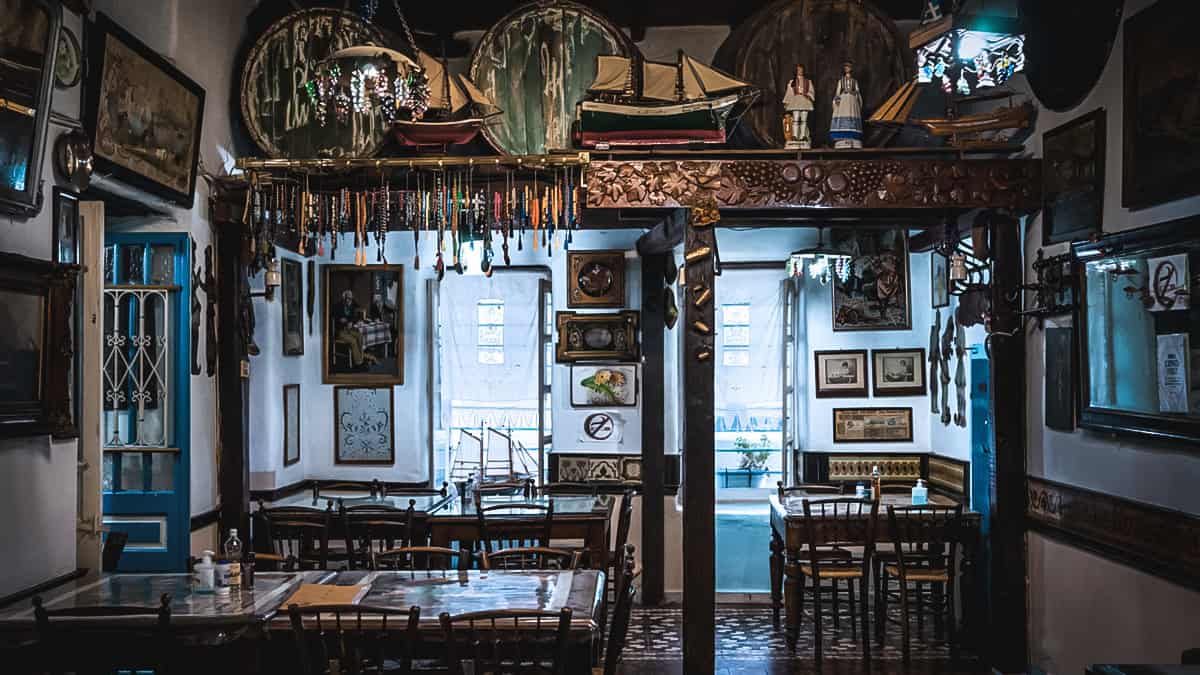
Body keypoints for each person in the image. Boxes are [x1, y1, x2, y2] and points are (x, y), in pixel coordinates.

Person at [333, 289, 374, 368]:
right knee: (353, 341)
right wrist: (340, 319)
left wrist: (352, 321)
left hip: (350, 329)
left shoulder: (353, 303)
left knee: (360, 336)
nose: (349, 300)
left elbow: (358, 311)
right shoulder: (338, 306)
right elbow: (334, 315)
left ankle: (361, 359)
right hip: (341, 331)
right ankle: (359, 363)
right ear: (344, 298)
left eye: (350, 298)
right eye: (347, 298)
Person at [830, 61, 863, 149]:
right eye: (846, 67)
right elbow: (838, 92)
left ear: (851, 69)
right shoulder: (841, 81)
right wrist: (837, 99)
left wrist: (854, 93)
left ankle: (852, 136)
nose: (847, 68)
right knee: (843, 114)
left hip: (852, 100)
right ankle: (842, 137)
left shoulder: (854, 81)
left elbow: (857, 91)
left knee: (852, 115)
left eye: (849, 67)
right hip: (844, 100)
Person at [782, 64, 815, 149]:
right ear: (796, 71)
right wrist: (786, 102)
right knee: (795, 119)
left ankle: (803, 136)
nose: (800, 71)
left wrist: (808, 95)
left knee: (804, 120)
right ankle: (795, 136)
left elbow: (811, 91)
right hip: (796, 101)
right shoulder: (792, 82)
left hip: (805, 101)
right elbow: (789, 92)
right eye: (799, 69)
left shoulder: (808, 81)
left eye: (801, 69)